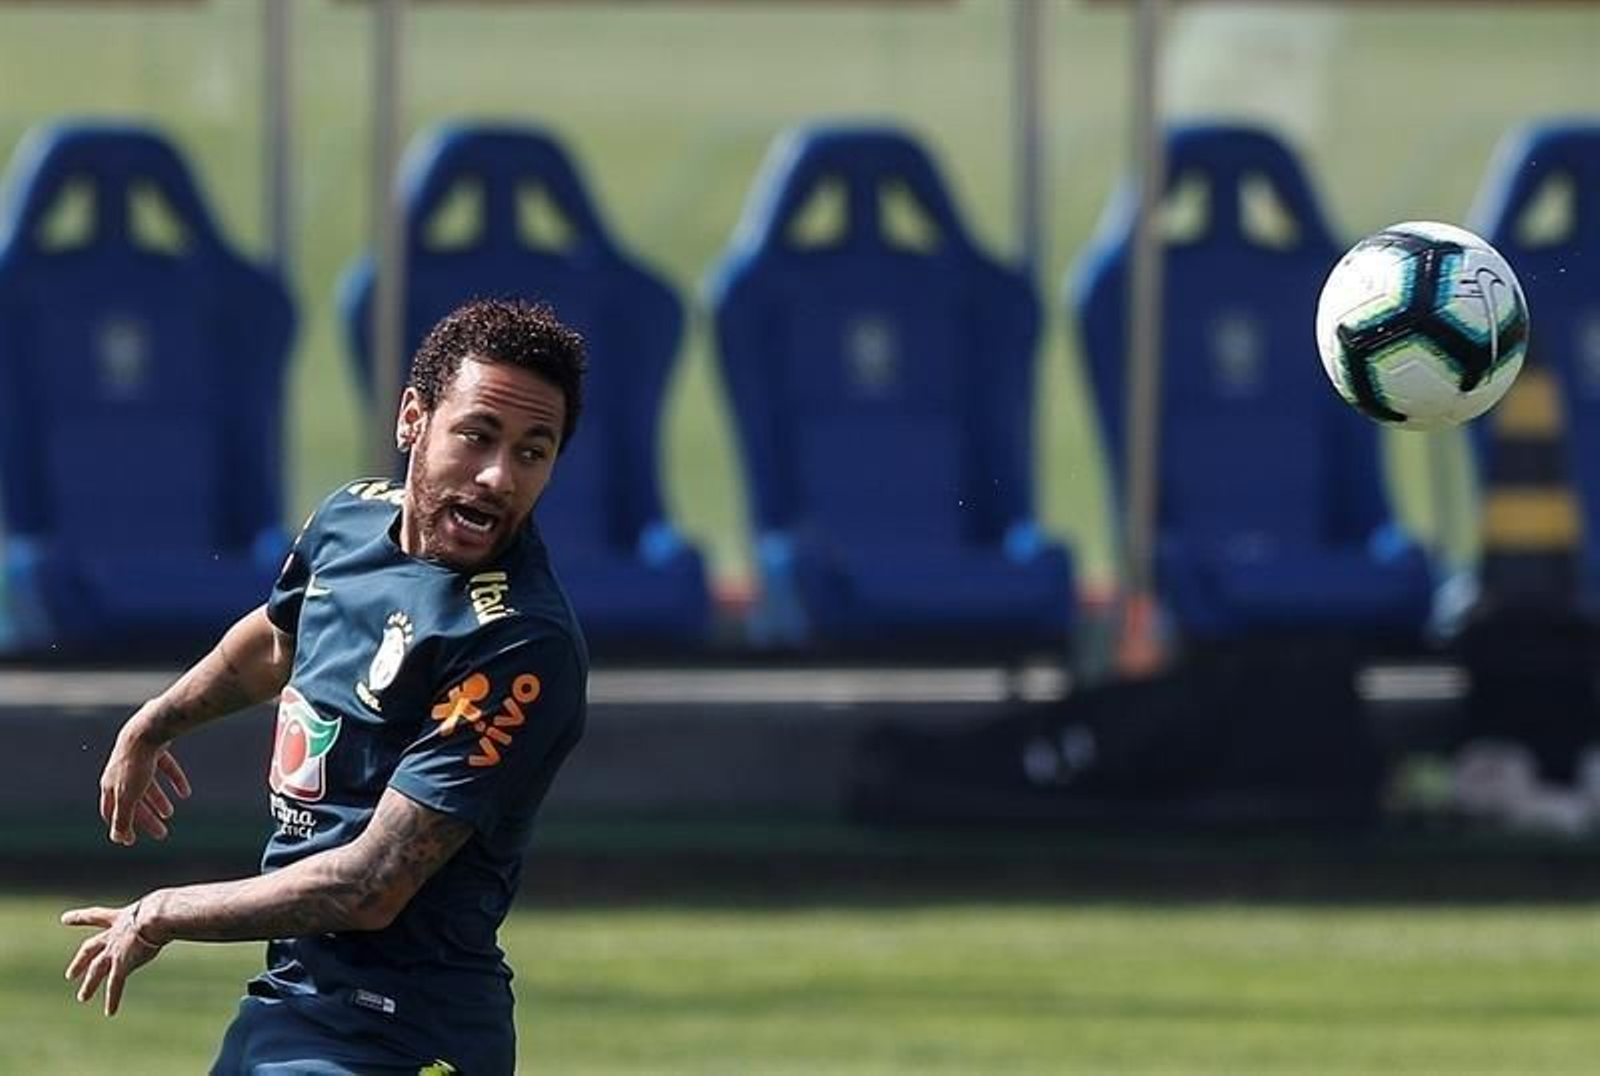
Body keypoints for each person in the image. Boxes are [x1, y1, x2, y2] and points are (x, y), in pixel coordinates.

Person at [61, 297, 590, 1075]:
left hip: (405, 1030)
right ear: (413, 419)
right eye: (477, 435)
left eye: (531, 452)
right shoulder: (348, 521)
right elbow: (277, 639)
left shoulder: (518, 642)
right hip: (291, 997)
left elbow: (372, 884)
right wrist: (156, 721)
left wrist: (165, 913)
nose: (496, 476)